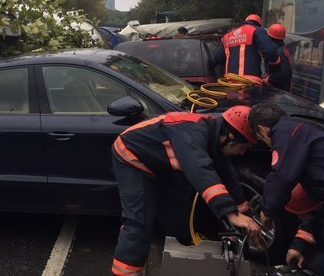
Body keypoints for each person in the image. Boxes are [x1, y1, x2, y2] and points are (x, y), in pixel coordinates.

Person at [111, 106, 263, 275]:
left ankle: (184, 261)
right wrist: (230, 213)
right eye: (244, 147)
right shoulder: (191, 133)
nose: (242, 153)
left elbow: (229, 178)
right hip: (133, 157)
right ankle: (125, 272)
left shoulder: (214, 136)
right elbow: (200, 170)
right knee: (138, 222)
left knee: (178, 215)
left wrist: (246, 215)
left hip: (161, 166)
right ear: (230, 137)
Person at [248, 103, 324, 276]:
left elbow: (281, 175)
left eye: (260, 137)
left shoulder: (284, 132)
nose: (266, 144)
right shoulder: (304, 125)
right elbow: (312, 217)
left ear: (263, 129)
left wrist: (267, 210)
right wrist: (300, 245)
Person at [213, 14, 280, 83]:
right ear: (258, 24)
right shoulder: (257, 30)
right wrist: (275, 63)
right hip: (250, 83)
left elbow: (217, 58)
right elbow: (271, 51)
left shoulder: (228, 36)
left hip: (230, 83)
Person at [264, 23, 293, 92]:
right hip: (280, 91)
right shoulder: (282, 50)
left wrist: (268, 80)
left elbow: (283, 74)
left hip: (278, 92)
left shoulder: (279, 52)